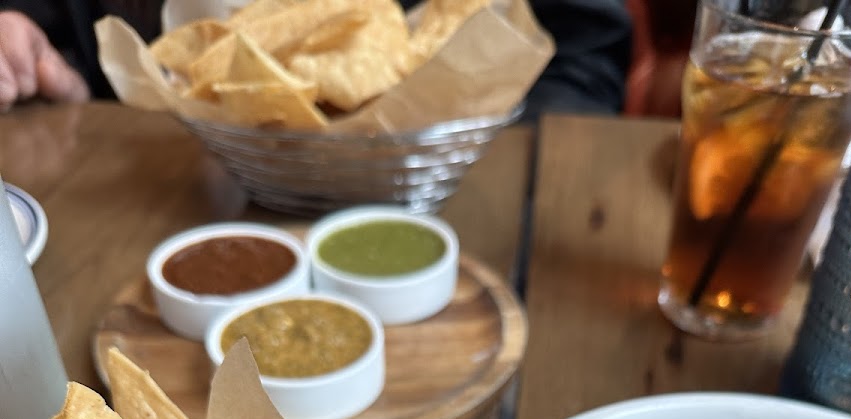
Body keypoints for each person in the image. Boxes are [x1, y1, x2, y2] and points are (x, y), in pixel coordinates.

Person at [0, 0, 632, 115]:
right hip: (155, 196)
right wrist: (41, 57)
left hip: (452, 208)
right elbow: (67, 33)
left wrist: (467, 124)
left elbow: (585, 51)